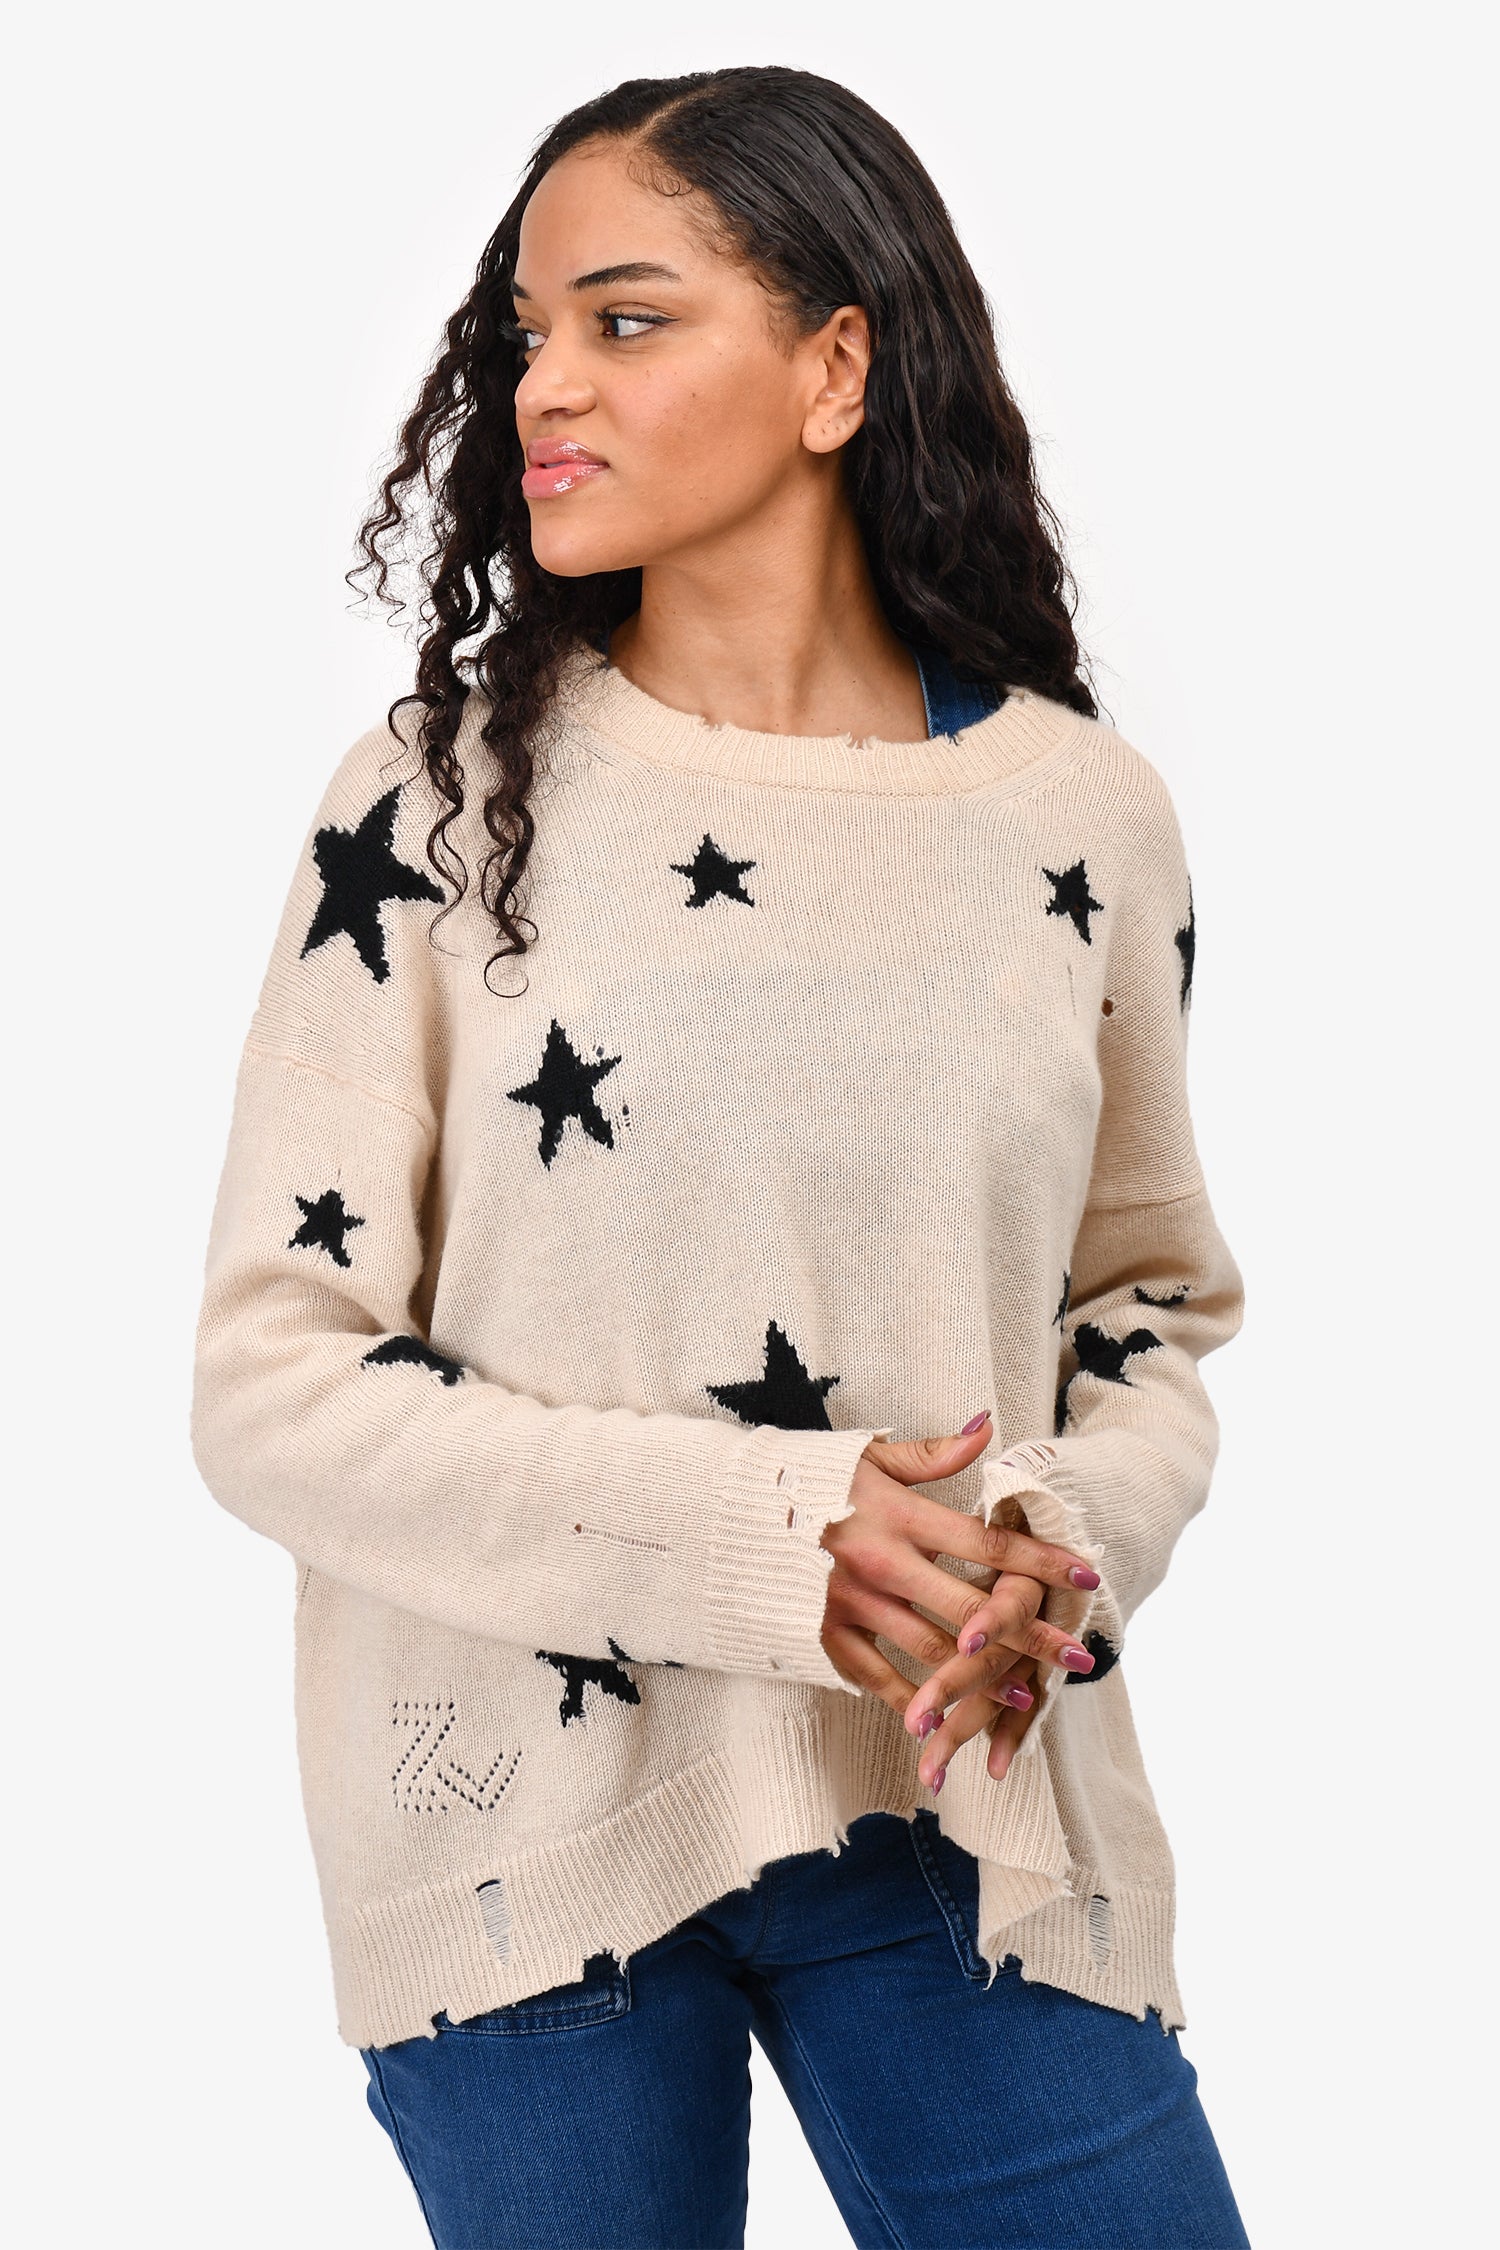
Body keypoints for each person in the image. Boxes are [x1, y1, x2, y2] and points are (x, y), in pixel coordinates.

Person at [191, 63, 1251, 2250]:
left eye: (625, 319)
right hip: (523, 1819)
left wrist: (1054, 1548)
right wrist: (786, 1537)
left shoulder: (1083, 819)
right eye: (527, 334)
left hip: (956, 1800)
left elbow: (1142, 1313)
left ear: (835, 368)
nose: (542, 388)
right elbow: (273, 1386)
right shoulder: (434, 807)